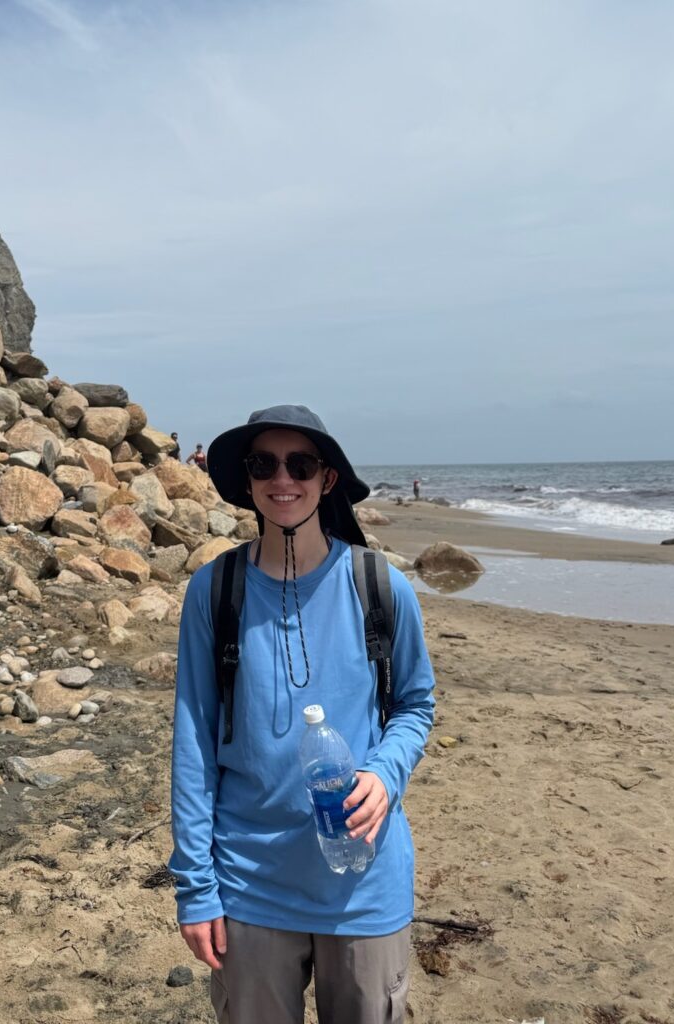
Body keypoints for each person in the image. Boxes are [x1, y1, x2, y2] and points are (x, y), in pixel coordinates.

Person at [169, 405, 435, 1024]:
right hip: (249, 883)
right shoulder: (214, 591)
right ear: (247, 478)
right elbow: (193, 743)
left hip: (364, 886)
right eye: (263, 464)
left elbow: (415, 704)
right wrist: (195, 888)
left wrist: (385, 775)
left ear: (328, 479)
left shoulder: (379, 585)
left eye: (301, 464)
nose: (282, 479)